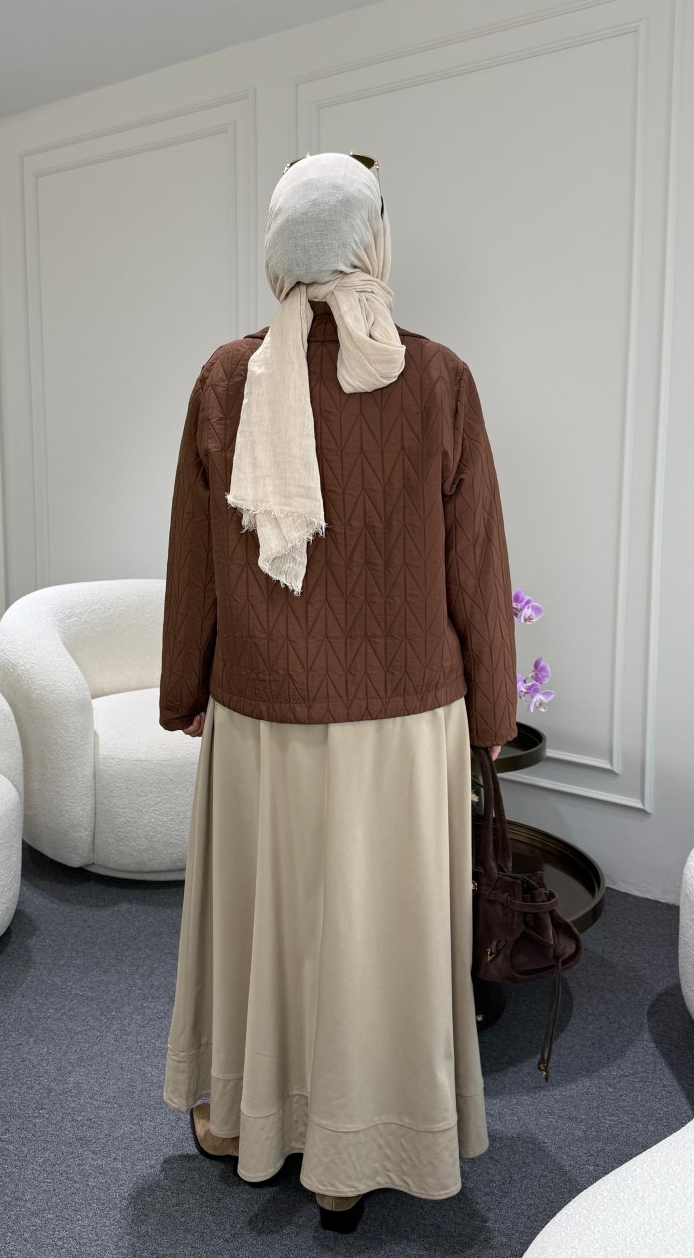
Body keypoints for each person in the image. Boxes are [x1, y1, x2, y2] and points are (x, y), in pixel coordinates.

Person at [159, 151, 517, 1232]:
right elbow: (476, 562)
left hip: (263, 709)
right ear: (371, 242)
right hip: (405, 717)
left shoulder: (228, 377)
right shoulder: (438, 376)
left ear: (281, 248)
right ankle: (353, 1157)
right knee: (378, 931)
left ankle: (251, 1119)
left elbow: (194, 558)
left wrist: (184, 687)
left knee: (274, 923)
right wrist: (491, 712)